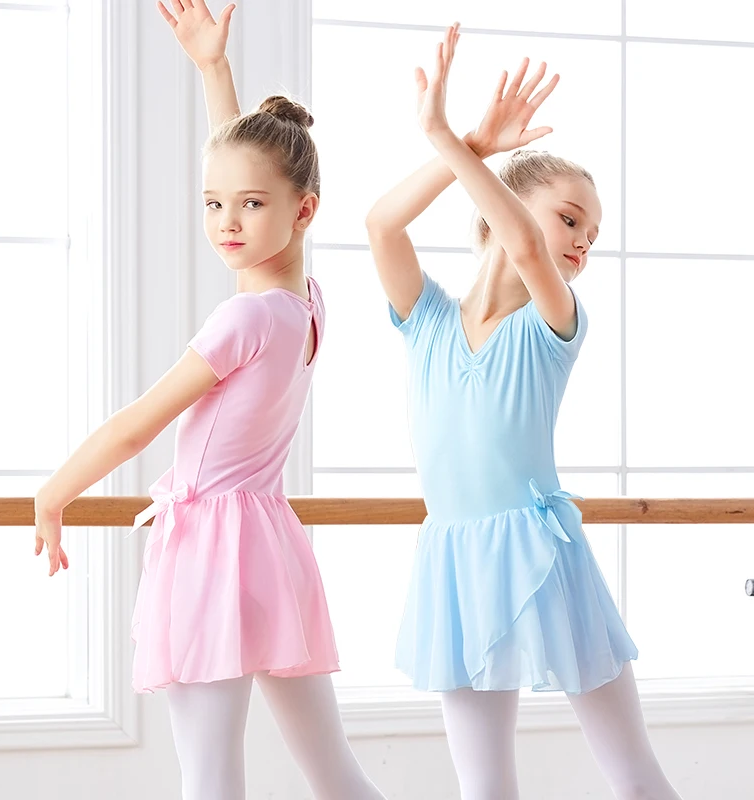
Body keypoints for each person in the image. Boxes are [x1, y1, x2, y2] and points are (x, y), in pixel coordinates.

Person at [34, 3, 386, 798]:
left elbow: (134, 429)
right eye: (211, 204)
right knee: (333, 770)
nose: (226, 221)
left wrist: (53, 492)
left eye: (248, 207)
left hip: (209, 554)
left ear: (303, 212)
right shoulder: (305, 304)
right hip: (268, 545)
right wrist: (212, 72)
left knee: (210, 776)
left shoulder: (244, 317)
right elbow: (251, 172)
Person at [365, 22, 682, 800]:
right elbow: (380, 224)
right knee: (483, 785)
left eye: (593, 233)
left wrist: (449, 140)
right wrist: (464, 143)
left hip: (544, 558)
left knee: (631, 769)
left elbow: (528, 250)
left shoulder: (553, 321)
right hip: (454, 562)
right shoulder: (429, 321)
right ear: (497, 207)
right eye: (571, 217)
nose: (582, 241)